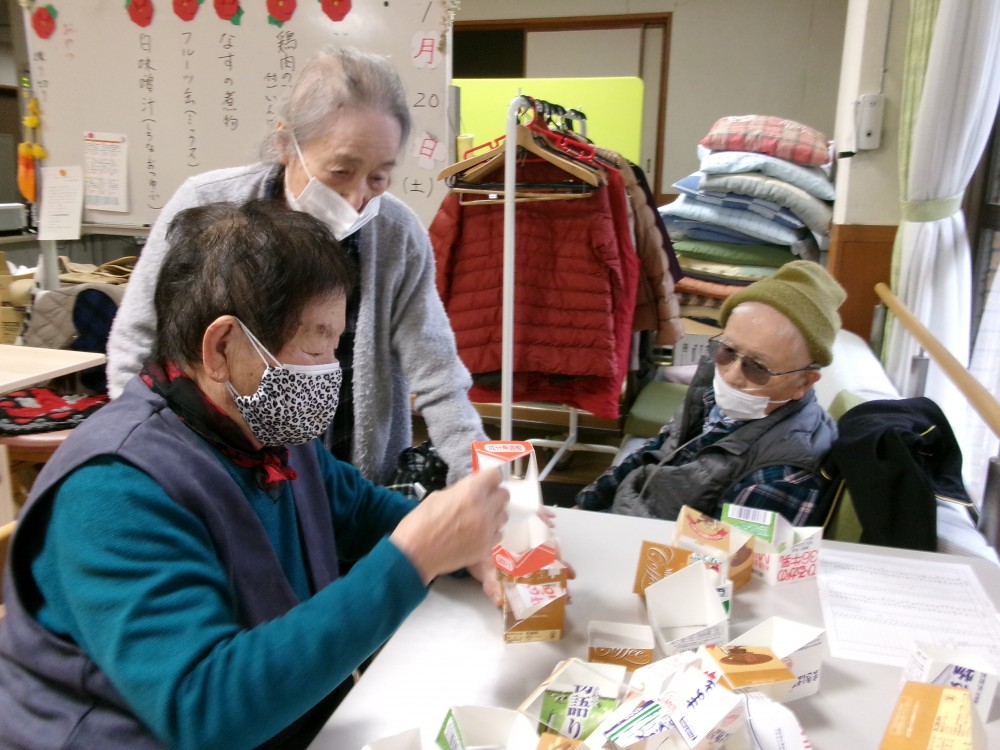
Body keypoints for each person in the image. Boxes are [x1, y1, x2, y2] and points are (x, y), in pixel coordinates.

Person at [0, 200, 509, 750]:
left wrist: (464, 542)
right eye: (316, 344)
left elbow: (357, 510)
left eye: (335, 344)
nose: (330, 369)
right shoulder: (114, 490)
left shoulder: (265, 430)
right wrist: (414, 558)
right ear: (222, 347)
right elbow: (205, 710)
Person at [107, 45, 486, 486]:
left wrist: (480, 482)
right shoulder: (208, 206)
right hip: (216, 476)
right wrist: (149, 461)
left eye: (379, 177)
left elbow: (438, 374)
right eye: (341, 171)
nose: (358, 197)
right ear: (287, 144)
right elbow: (137, 342)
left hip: (353, 478)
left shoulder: (395, 234)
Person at [575, 260, 846, 526]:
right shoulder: (708, 391)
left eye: (758, 367)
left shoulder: (783, 475)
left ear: (804, 383)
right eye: (727, 351)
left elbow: (725, 563)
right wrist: (581, 507)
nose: (732, 375)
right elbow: (656, 450)